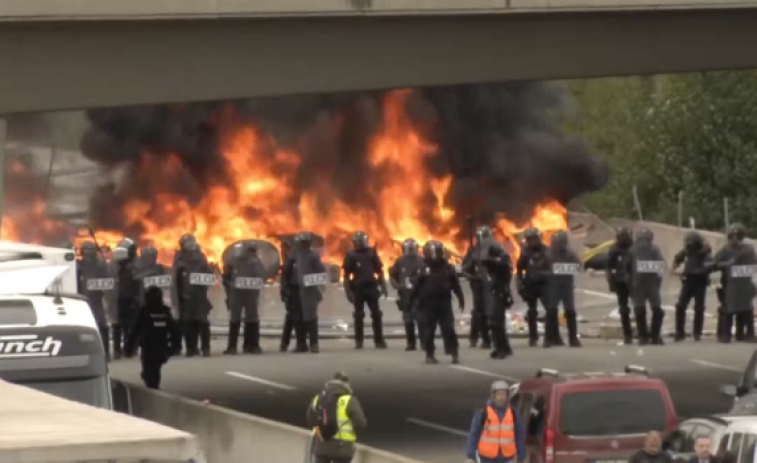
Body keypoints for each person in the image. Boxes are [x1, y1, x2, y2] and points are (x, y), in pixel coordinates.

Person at [411, 240, 465, 364]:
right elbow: (416, 287)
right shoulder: (423, 268)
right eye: (432, 252)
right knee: (429, 330)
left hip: (444, 303)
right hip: (428, 304)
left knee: (449, 329)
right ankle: (430, 355)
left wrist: (461, 299)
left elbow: (456, 285)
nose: (435, 255)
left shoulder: (448, 268)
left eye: (438, 252)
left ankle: (453, 353)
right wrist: (411, 302)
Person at [125, 286, 180, 390]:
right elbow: (174, 330)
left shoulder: (145, 311)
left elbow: (135, 329)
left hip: (149, 346)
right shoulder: (165, 311)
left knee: (150, 368)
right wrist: (175, 346)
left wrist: (129, 347)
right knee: (155, 368)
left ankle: (151, 384)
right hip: (160, 346)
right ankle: (152, 384)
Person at [469, 231, 514, 359]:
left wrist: (487, 248)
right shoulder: (495, 260)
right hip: (496, 291)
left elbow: (487, 261)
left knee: (496, 322)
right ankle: (502, 347)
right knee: (496, 321)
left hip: (501, 292)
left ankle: (502, 348)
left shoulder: (502, 259)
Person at [306, 372, 367, 463]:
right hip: (342, 448)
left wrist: (320, 432)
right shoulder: (349, 400)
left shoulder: (319, 398)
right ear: (347, 385)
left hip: (321, 446)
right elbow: (360, 422)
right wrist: (353, 435)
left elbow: (310, 419)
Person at [281, 232, 327, 353]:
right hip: (295, 290)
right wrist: (284, 288)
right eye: (302, 243)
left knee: (311, 317)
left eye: (305, 243)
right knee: (297, 318)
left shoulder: (313, 257)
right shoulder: (292, 257)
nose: (304, 245)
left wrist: (319, 288)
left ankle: (314, 344)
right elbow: (286, 273)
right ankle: (301, 344)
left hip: (309, 290)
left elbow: (321, 273)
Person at [342, 232, 389, 349]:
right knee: (358, 315)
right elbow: (346, 276)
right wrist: (348, 292)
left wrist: (384, 287)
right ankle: (359, 341)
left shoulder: (372, 253)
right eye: (359, 241)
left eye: (363, 241)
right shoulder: (351, 255)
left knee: (376, 315)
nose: (361, 243)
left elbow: (379, 271)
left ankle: (379, 340)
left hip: (372, 287)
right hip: (358, 288)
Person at [714, 223, 757, 343]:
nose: (734, 239)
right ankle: (725, 335)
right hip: (731, 283)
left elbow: (754, 264)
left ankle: (748, 334)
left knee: (747, 309)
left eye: (737, 236)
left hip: (745, 283)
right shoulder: (726, 250)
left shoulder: (748, 249)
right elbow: (715, 263)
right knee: (729, 309)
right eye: (732, 236)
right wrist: (728, 264)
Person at [465, 380, 526, 463]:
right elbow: (474, 434)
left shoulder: (513, 413)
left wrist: (521, 456)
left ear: (507, 396)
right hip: (487, 458)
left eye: (503, 395)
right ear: (493, 396)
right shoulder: (483, 412)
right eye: (498, 394)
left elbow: (519, 435)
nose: (501, 397)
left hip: (507, 458)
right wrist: (470, 456)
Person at [223, 242, 265, 355]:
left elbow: (261, 277)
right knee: (239, 318)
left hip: (247, 294)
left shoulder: (255, 262)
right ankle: (241, 346)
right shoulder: (235, 262)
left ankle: (249, 346)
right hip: (239, 293)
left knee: (249, 318)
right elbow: (226, 277)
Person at [671, 231, 713, 342]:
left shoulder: (705, 252)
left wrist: (698, 271)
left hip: (700, 281)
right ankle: (679, 332)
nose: (688, 246)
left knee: (699, 307)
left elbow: (709, 266)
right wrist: (675, 266)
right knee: (680, 306)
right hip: (688, 281)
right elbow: (678, 258)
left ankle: (697, 333)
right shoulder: (687, 251)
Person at [175, 240, 214, 357]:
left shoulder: (201, 264)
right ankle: (195, 348)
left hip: (196, 297)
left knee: (197, 323)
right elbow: (177, 282)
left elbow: (210, 279)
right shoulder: (182, 265)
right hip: (190, 297)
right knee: (193, 323)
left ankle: (198, 348)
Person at [77, 241, 113, 360]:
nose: (88, 257)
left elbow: (108, 282)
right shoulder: (78, 265)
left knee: (102, 326)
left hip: (96, 299)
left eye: (90, 254)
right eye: (87, 254)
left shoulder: (101, 265)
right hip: (82, 300)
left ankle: (105, 353)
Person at [546, 230, 582, 348]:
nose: (557, 245)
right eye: (556, 242)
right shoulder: (548, 254)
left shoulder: (570, 253)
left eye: (560, 242)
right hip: (553, 286)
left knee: (570, 312)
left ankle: (573, 339)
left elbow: (579, 266)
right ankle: (548, 338)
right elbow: (540, 268)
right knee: (551, 312)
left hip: (566, 286)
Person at [631, 228, 666, 345]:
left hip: (651, 283)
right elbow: (626, 266)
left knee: (657, 310)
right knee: (640, 310)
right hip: (638, 284)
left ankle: (654, 335)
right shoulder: (633, 251)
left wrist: (658, 279)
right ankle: (643, 335)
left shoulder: (655, 249)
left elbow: (661, 264)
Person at [516, 228, 551, 347]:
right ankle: (533, 337)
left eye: (535, 238)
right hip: (530, 284)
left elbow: (553, 267)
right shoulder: (525, 252)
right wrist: (519, 284)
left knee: (550, 310)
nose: (533, 241)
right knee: (532, 311)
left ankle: (549, 337)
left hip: (544, 284)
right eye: (530, 239)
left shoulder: (547, 251)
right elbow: (520, 269)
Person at [389, 238, 425, 351]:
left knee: (421, 319)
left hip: (419, 295)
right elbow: (393, 275)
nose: (410, 250)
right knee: (408, 319)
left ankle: (424, 342)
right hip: (405, 295)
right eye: (408, 248)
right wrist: (397, 285)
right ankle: (411, 343)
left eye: (412, 248)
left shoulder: (422, 260)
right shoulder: (400, 261)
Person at [462, 226, 494, 350]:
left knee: (490, 312)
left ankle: (489, 338)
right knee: (478, 313)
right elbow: (465, 268)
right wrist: (473, 277)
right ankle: (477, 338)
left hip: (492, 285)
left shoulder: (494, 250)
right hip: (478, 286)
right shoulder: (473, 252)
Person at [112, 238, 141, 360]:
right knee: (118, 325)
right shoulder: (114, 267)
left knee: (130, 325)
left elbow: (138, 283)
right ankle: (118, 350)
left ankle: (129, 350)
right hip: (118, 299)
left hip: (131, 299)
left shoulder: (135, 266)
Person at [607, 227, 635, 345]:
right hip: (620, 282)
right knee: (624, 309)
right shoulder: (614, 249)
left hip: (634, 280)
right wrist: (611, 282)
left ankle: (642, 333)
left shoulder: (634, 248)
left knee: (639, 307)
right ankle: (627, 334)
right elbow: (609, 267)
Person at [171, 233, 197, 355]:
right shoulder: (179, 256)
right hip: (181, 293)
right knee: (180, 322)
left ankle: (192, 347)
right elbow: (176, 272)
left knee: (193, 321)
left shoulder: (199, 256)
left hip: (195, 294)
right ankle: (177, 347)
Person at [278, 238, 297, 351]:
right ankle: (285, 343)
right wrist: (283, 292)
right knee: (291, 318)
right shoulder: (289, 262)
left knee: (294, 318)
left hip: (296, 291)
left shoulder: (293, 261)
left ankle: (298, 342)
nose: (283, 251)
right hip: (290, 292)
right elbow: (284, 280)